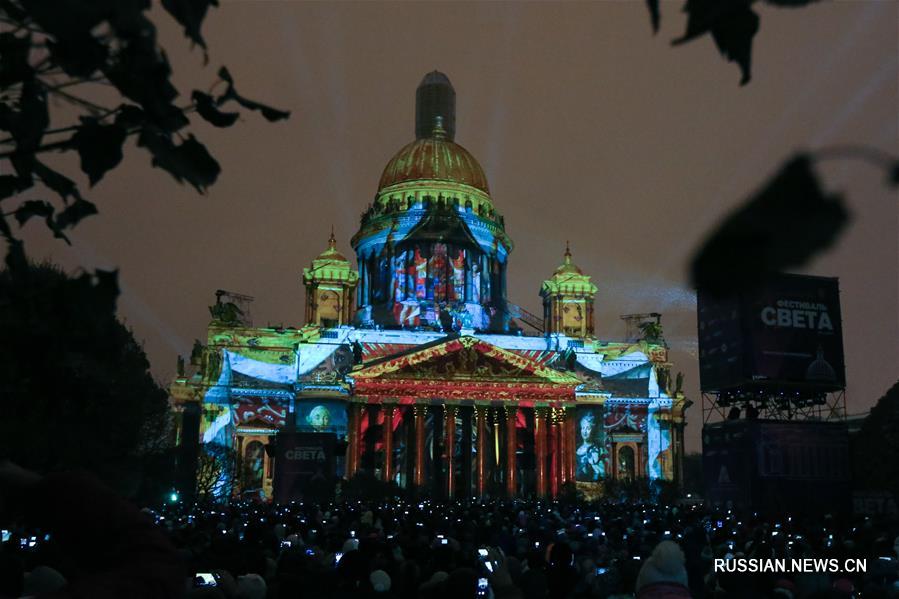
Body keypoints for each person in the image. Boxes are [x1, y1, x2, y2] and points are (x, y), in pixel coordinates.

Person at [575, 412, 605, 481]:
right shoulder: (576, 448)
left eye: (588, 428)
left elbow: (601, 473)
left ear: (593, 430)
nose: (584, 431)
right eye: (583, 428)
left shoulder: (598, 450)